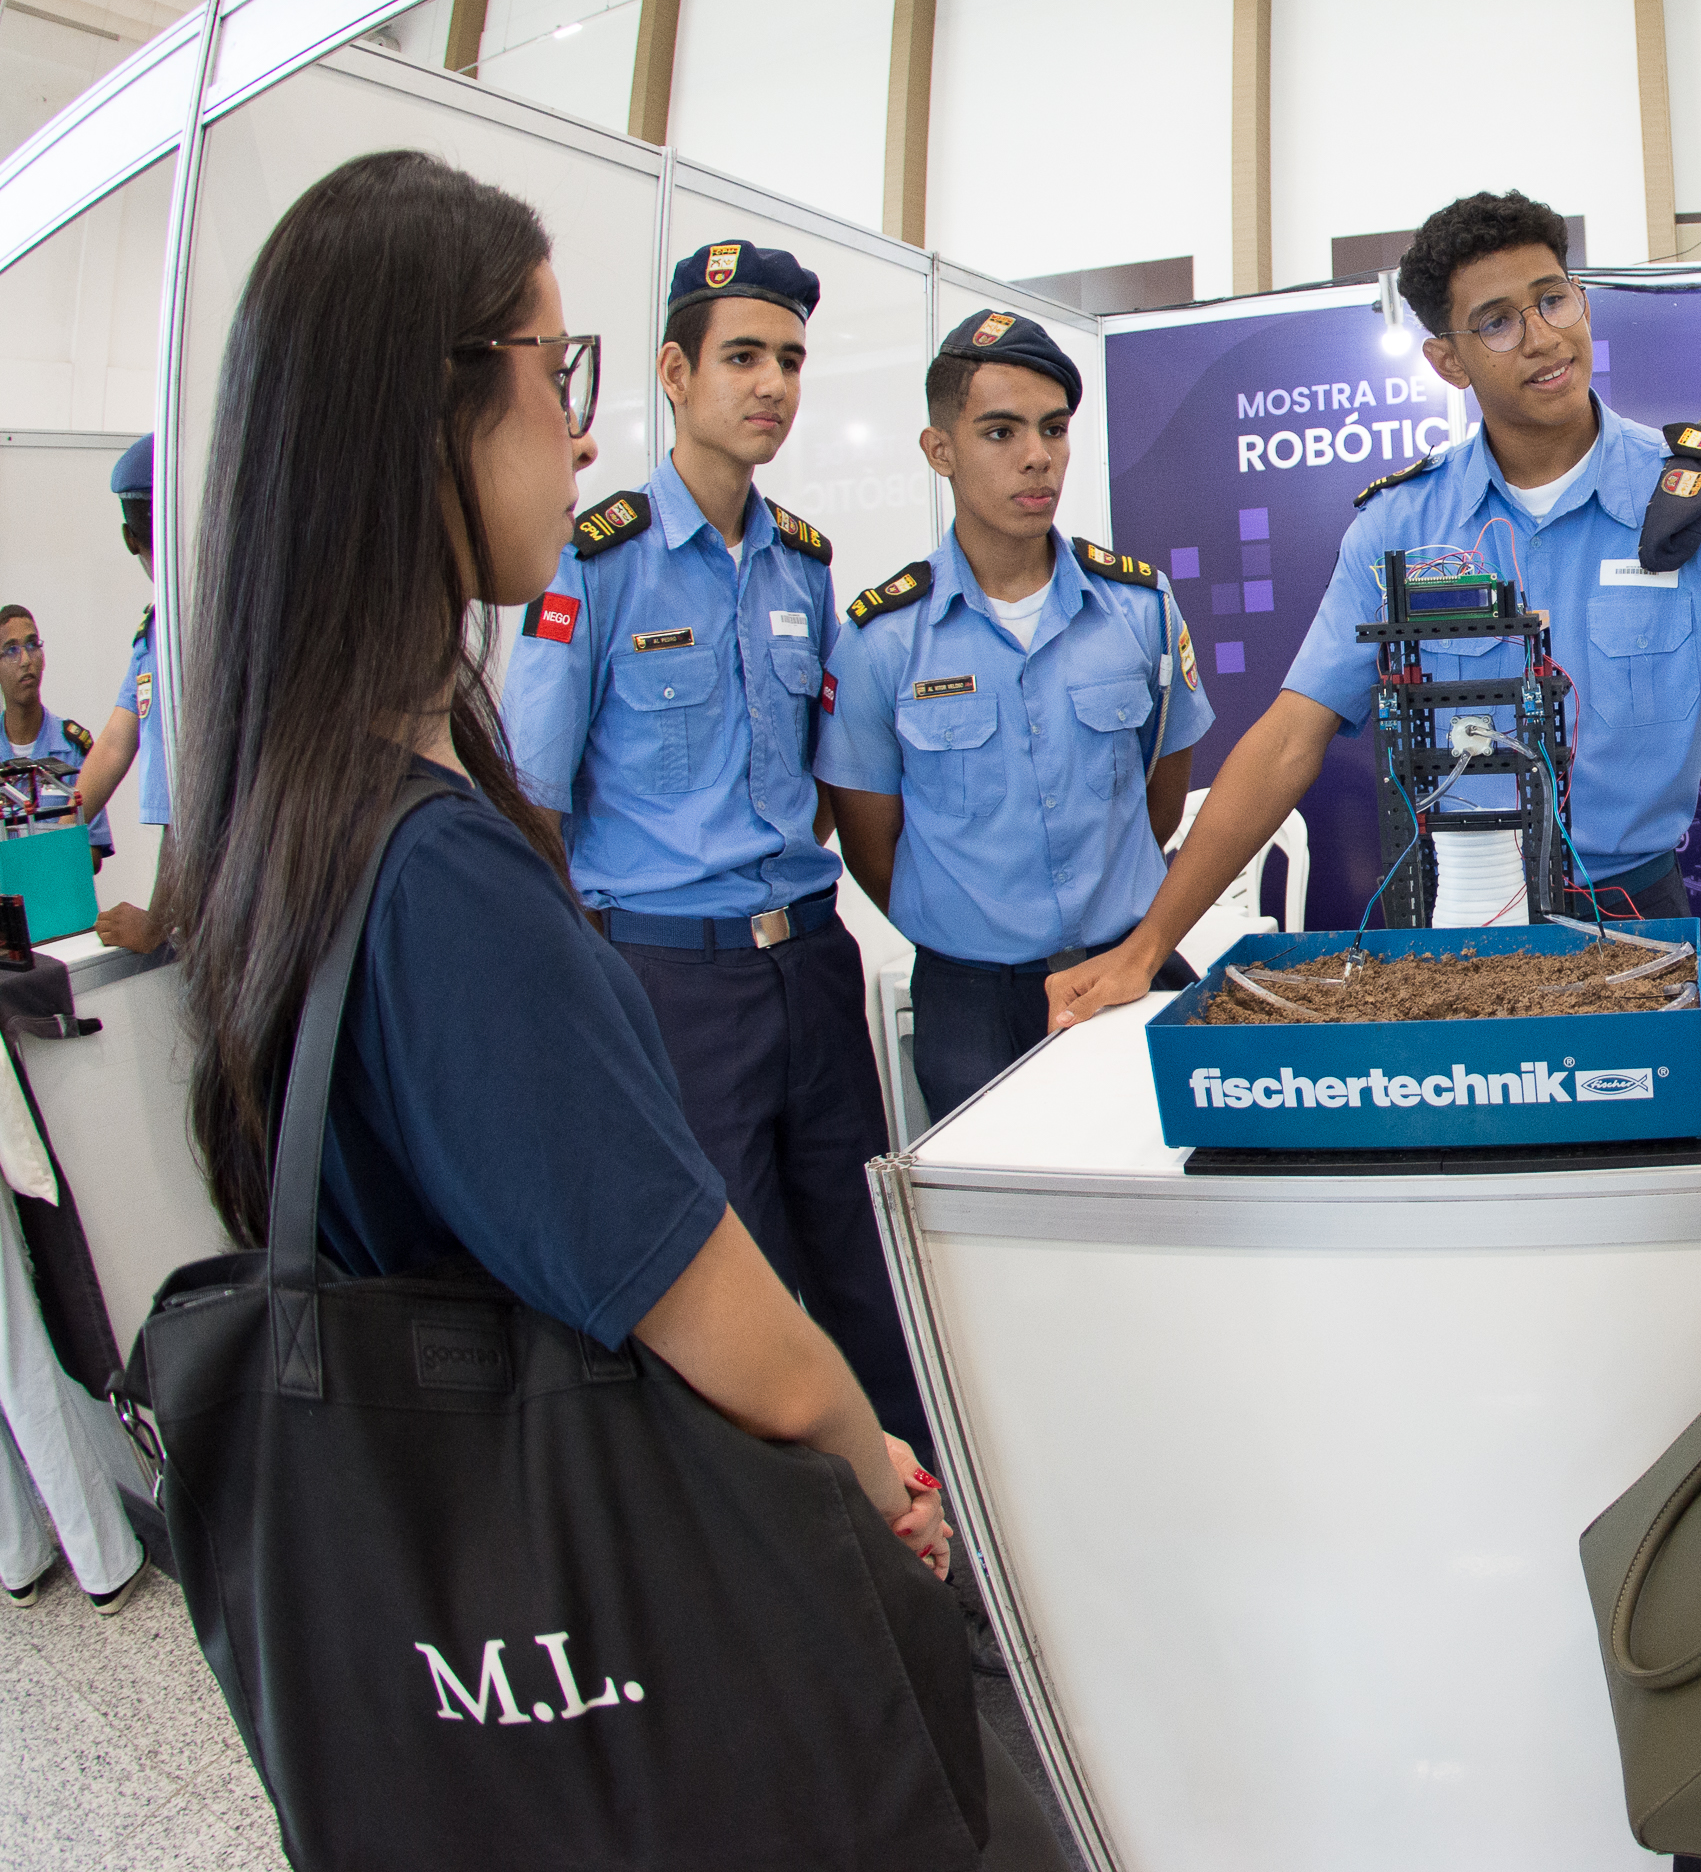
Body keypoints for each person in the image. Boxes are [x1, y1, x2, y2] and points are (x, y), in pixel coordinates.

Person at [166, 148, 1057, 1865]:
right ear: (429, 402)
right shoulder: (443, 872)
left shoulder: (304, 805)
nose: (576, 436)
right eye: (551, 369)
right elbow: (708, 1309)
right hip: (607, 1603)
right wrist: (873, 1467)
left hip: (782, 981)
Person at [1050, 189, 1701, 1029]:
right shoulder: (1400, 525)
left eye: (1554, 298)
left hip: (1633, 916)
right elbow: (1287, 740)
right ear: (1448, 360)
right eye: (1499, 321)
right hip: (1454, 925)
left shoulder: (1699, 497)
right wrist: (1149, 946)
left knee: (1645, 1151)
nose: (1546, 336)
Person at [499, 238, 926, 1461]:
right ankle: (768, 1544)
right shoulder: (596, 560)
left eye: (790, 359)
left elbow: (825, 777)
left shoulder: (804, 564)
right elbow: (533, 800)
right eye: (743, 356)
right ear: (676, 373)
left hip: (811, 966)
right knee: (726, 1301)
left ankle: (915, 1523)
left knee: (864, 1273)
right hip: (672, 981)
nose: (773, 384)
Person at [817, 310, 1212, 1117]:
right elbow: (872, 846)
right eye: (1001, 432)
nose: (1037, 456)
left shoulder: (1138, 608)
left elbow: (1162, 798)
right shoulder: (882, 639)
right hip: (971, 1003)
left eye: (1053, 429)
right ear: (939, 450)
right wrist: (976, 928)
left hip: (1127, 970)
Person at [63, 439, 170, 946]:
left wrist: (161, 919)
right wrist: (50, 836)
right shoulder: (157, 629)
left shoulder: (189, 633)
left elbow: (186, 804)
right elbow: (113, 744)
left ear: (129, 537)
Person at [0, 605, 112, 869]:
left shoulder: (72, 748)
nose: (25, 660)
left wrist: (36, 863)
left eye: (32, 645)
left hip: (58, 892)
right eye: (12, 650)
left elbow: (93, 853)